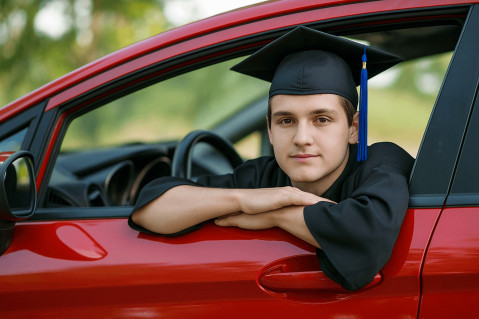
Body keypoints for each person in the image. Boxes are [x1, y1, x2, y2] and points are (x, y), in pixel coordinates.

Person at [128, 26, 414, 291]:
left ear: (353, 128)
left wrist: (276, 213)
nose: (302, 138)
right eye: (286, 121)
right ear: (270, 129)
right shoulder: (261, 177)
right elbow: (151, 208)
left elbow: (366, 237)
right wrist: (245, 200)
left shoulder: (382, 161)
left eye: (322, 119)